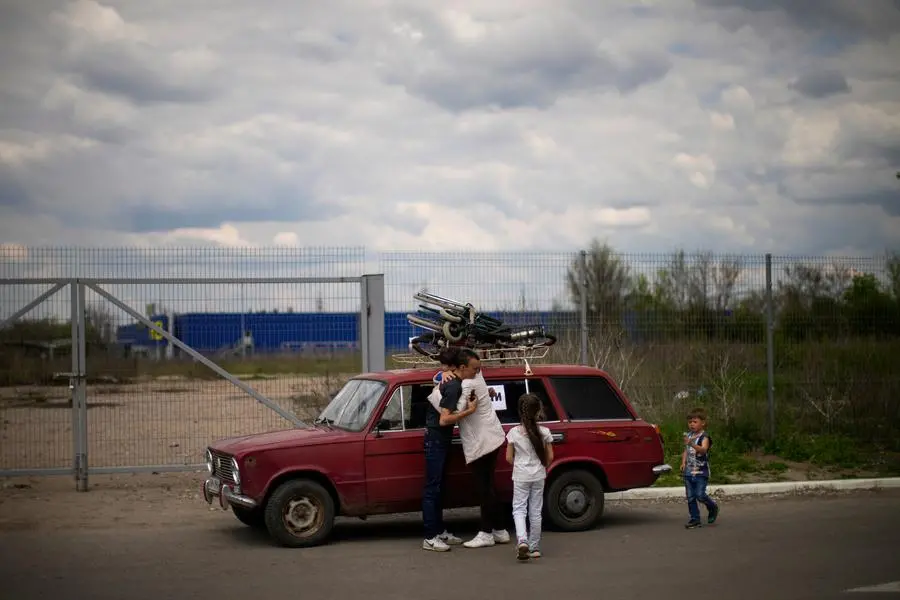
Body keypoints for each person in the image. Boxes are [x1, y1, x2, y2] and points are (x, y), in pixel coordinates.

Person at [439, 347, 511, 548]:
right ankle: (500, 530)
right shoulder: (475, 378)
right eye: (475, 368)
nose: (478, 371)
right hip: (493, 437)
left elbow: (452, 413)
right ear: (463, 366)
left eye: (478, 368)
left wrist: (441, 384)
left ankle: (486, 533)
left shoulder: (468, 382)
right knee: (489, 487)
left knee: (483, 489)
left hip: (482, 442)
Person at [421, 347, 472, 552]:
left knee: (438, 487)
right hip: (436, 438)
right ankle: (430, 536)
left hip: (438, 438)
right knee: (433, 488)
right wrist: (469, 411)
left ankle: (438, 531)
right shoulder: (451, 385)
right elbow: (444, 419)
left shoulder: (450, 381)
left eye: (444, 365)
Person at [505, 393, 553, 560]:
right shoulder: (545, 432)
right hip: (539, 474)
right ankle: (534, 548)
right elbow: (550, 457)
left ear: (520, 411)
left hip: (520, 475)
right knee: (535, 511)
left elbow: (508, 458)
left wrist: (519, 465)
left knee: (519, 509)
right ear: (538, 410)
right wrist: (540, 466)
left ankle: (522, 541)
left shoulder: (513, 433)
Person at [681, 407, 720, 529]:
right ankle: (695, 519)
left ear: (703, 423)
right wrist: (683, 462)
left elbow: (703, 450)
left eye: (695, 422)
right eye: (690, 422)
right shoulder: (689, 435)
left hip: (701, 471)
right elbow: (686, 451)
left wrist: (692, 443)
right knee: (690, 496)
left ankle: (712, 507)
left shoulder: (704, 437)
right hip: (689, 471)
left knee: (700, 495)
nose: (692, 424)